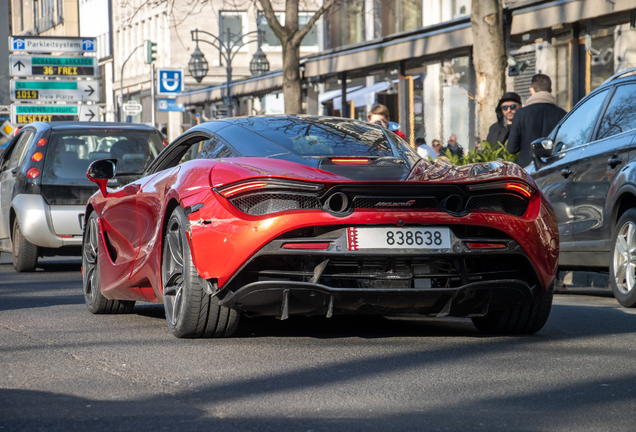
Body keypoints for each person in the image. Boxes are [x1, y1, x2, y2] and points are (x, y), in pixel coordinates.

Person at [507, 74, 567, 167]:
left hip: (527, 169)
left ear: (531, 90)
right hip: (554, 167)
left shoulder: (521, 114)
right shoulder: (562, 114)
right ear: (550, 91)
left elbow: (511, 148)